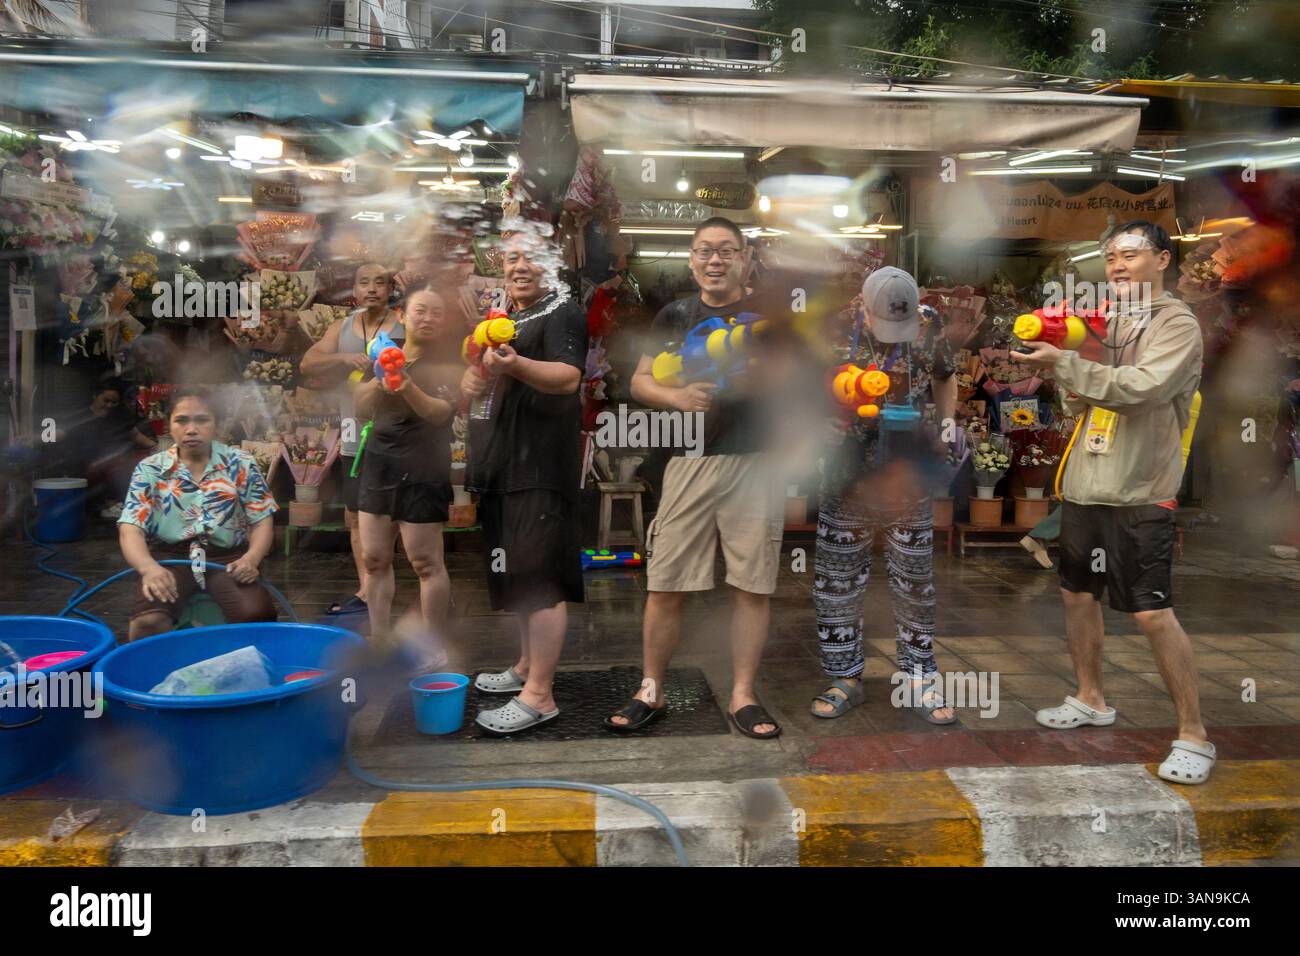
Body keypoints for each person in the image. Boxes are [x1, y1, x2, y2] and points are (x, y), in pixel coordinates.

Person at [1012, 219, 1214, 784]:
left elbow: (1141, 388)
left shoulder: (1177, 324)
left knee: (1151, 612)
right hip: (1086, 485)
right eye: (1110, 256)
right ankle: (1090, 698)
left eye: (1131, 253)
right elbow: (1082, 404)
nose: (1118, 265)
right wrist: (1062, 368)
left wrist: (1064, 362)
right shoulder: (1110, 321)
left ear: (1164, 260)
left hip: (1140, 490)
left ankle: (1194, 734)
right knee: (1077, 596)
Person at [605, 216, 786, 740]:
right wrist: (677, 397)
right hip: (688, 462)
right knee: (666, 583)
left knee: (753, 585)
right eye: (705, 250)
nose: (715, 260)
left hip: (756, 461)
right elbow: (640, 383)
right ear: (691, 259)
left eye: (727, 250)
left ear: (745, 258)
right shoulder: (675, 315)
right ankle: (651, 689)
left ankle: (743, 695)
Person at [809, 269, 959, 725]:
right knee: (838, 584)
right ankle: (844, 678)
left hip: (906, 474)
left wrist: (947, 424)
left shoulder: (930, 323)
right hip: (846, 475)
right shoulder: (831, 329)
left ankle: (919, 678)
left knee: (914, 583)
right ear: (863, 304)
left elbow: (945, 376)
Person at [461, 229, 588, 736]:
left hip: (538, 468)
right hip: (500, 463)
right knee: (516, 576)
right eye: (511, 258)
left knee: (538, 579)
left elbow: (568, 377)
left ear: (550, 266)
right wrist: (474, 380)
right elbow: (481, 382)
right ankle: (523, 667)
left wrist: (515, 366)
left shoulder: (563, 311)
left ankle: (540, 695)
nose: (519, 267)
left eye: (530, 259)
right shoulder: (504, 319)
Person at [118, 386, 278, 641]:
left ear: (216, 424)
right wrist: (149, 568)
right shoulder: (150, 469)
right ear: (169, 425)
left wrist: (252, 558)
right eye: (181, 420)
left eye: (202, 420)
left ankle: (249, 677)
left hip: (227, 557)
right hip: (171, 557)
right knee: (149, 621)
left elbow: (261, 519)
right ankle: (147, 677)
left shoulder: (240, 463)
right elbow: (130, 529)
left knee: (256, 614)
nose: (191, 429)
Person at [352, 287, 459, 666]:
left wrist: (406, 384)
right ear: (403, 315)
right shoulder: (383, 351)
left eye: (436, 312)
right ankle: (379, 639)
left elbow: (440, 413)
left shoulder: (449, 360)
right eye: (420, 311)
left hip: (425, 469)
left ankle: (432, 645)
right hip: (378, 466)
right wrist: (378, 382)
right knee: (375, 559)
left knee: (425, 563)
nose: (428, 318)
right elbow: (360, 407)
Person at [299, 263, 404, 618]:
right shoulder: (341, 326)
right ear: (354, 291)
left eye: (380, 282)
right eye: (364, 283)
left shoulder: (405, 325)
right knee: (355, 513)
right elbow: (307, 363)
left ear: (390, 288)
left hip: (395, 432)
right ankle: (366, 588)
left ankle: (388, 577)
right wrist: (344, 357)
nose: (372, 288)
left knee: (392, 513)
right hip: (351, 431)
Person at [56, 374, 156, 519]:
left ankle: (119, 504)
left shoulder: (120, 416)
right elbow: (59, 433)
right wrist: (34, 438)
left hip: (114, 466)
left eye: (114, 403)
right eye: (106, 400)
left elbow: (136, 436)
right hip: (84, 468)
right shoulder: (80, 416)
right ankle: (107, 504)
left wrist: (158, 448)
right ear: (95, 396)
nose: (109, 406)